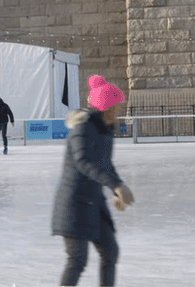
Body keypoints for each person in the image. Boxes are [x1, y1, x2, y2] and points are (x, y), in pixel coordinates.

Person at [51, 75, 135, 287]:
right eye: (117, 106)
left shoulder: (105, 129)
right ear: (106, 107)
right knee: (77, 260)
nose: (120, 111)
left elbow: (105, 164)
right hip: (74, 204)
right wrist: (116, 185)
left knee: (110, 251)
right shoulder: (83, 128)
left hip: (94, 203)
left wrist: (116, 188)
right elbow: (84, 162)